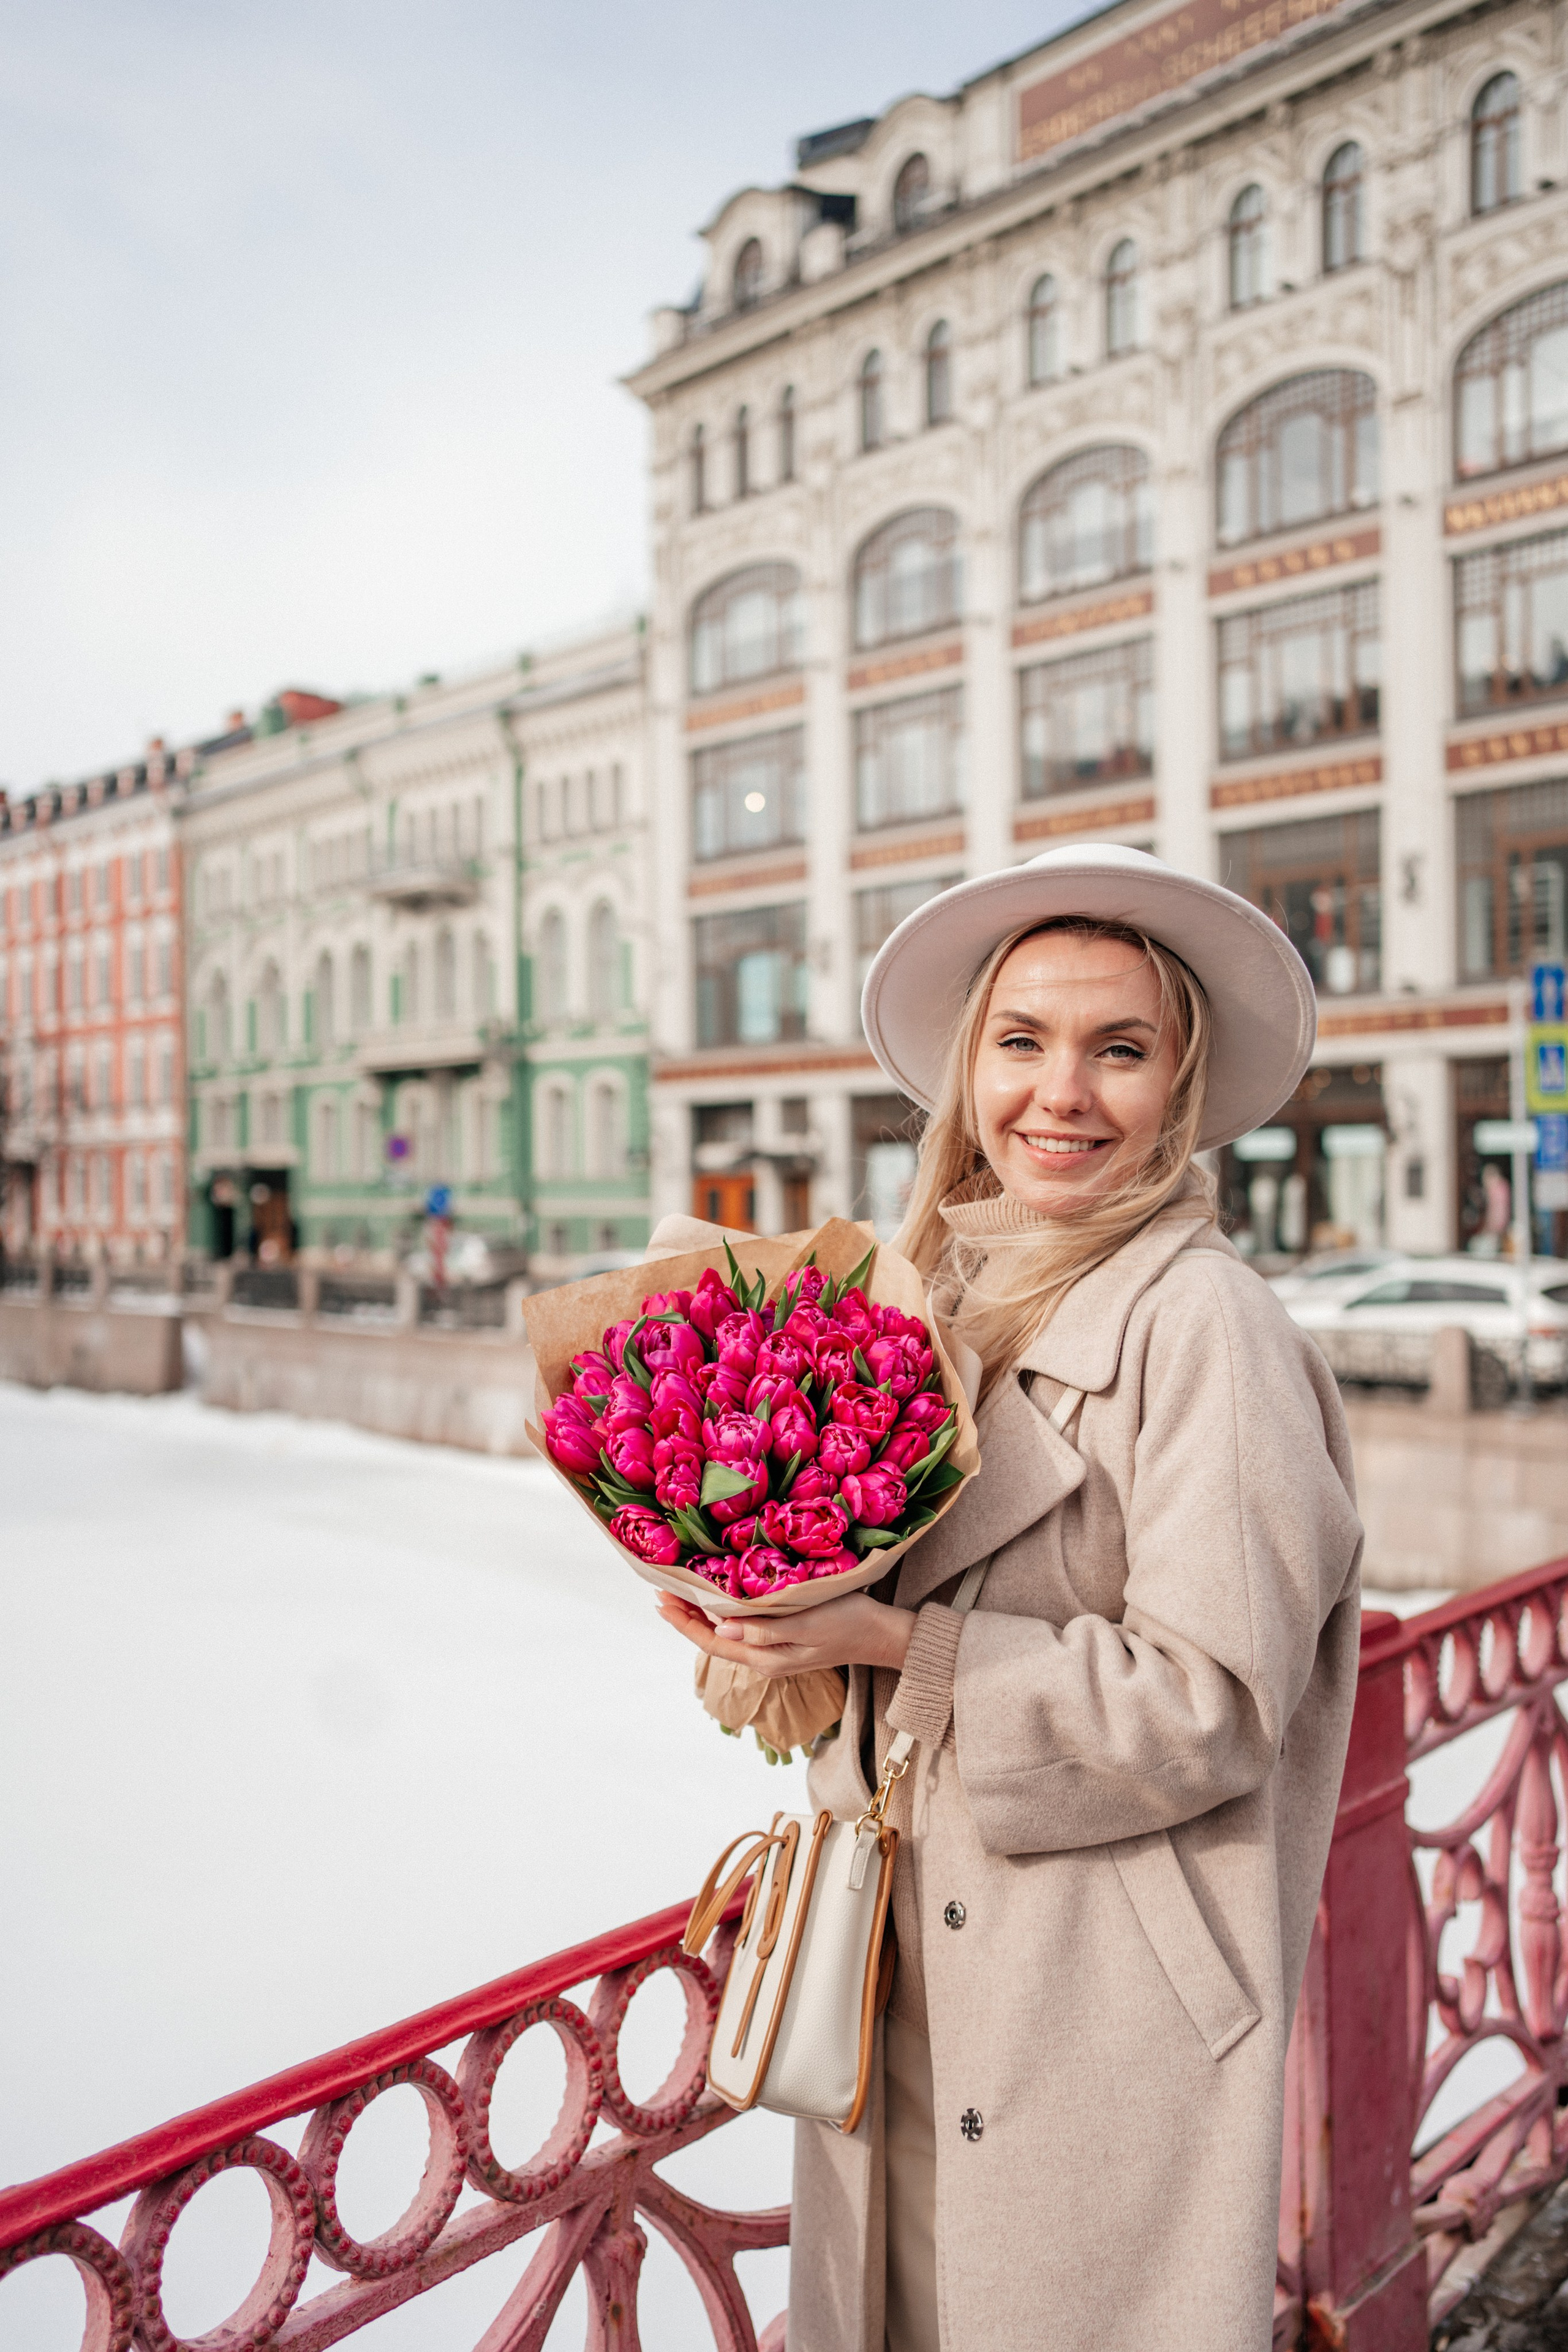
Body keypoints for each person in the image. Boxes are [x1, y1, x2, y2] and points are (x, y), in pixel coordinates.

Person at [655, 844, 1363, 2352]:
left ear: (1176, 1086)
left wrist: (891, 1643)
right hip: (900, 1973)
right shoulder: (925, 1302)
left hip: (1094, 2004)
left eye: (1119, 1050)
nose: (1062, 1093)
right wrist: (761, 1621)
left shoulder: (1204, 1326)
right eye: (1021, 1042)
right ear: (967, 1066)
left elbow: (1211, 1704)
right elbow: (874, 1635)